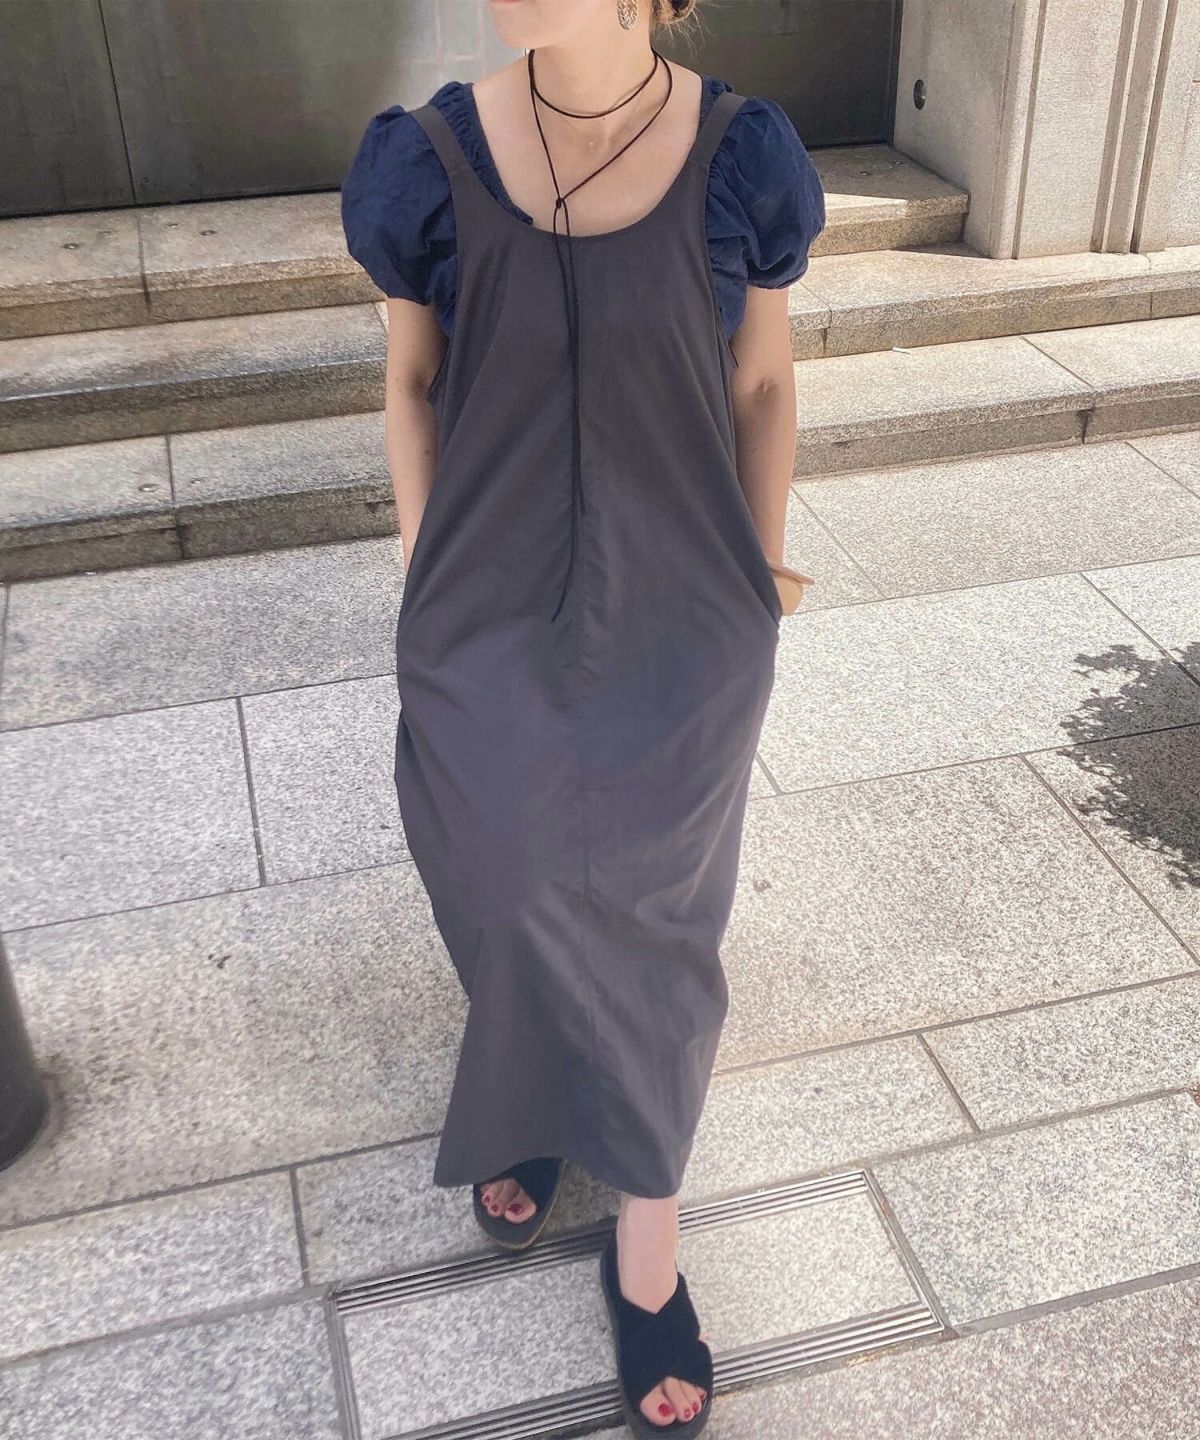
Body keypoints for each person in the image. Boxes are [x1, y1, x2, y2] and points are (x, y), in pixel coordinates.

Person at [340, 0, 825, 1431]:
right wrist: (427, 575)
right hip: (482, 604)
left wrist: (757, 580)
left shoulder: (743, 158)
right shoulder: (426, 162)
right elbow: (411, 383)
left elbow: (763, 382)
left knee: (659, 919)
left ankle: (649, 1247)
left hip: (688, 613)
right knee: (502, 877)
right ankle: (539, 1095)